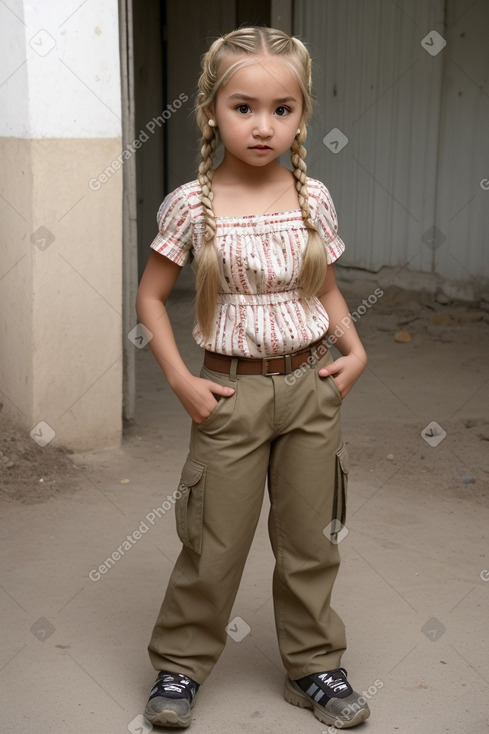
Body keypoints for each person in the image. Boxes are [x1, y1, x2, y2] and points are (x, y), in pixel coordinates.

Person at [136, 25, 369, 730]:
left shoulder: (313, 197)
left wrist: (354, 350)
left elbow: (324, 288)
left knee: (310, 540)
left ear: (300, 115)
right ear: (210, 110)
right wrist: (179, 378)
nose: (262, 126)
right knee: (213, 539)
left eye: (281, 109)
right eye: (243, 107)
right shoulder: (189, 204)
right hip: (229, 395)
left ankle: (313, 666)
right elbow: (150, 295)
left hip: (308, 388)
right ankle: (179, 668)